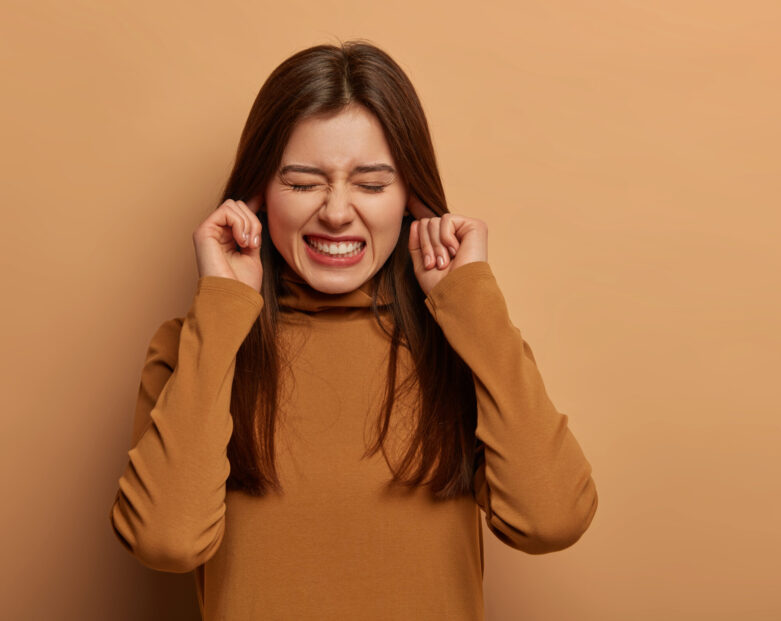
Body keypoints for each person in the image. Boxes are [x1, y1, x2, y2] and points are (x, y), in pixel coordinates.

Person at [108, 40, 598, 620]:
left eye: (370, 184)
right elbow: (165, 542)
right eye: (302, 183)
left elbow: (551, 521)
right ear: (258, 195)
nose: (337, 212)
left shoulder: (465, 342)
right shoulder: (193, 345)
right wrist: (222, 308)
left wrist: (472, 302)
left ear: (411, 198)